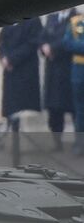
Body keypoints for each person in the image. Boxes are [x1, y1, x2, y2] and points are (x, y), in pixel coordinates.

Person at [0, 17, 43, 132]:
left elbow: (33, 43)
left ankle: (22, 138)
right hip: (10, 72)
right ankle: (12, 138)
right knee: (11, 108)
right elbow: (2, 42)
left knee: (24, 107)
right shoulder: (10, 18)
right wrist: (3, 57)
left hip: (26, 72)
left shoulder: (33, 20)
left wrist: (12, 59)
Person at [42, 9, 78, 151]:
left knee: (74, 109)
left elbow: (71, 40)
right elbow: (43, 36)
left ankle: (79, 143)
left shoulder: (76, 17)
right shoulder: (52, 17)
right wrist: (44, 46)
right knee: (54, 110)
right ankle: (57, 142)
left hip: (68, 69)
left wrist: (52, 48)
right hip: (52, 71)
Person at [61, 12, 84, 156]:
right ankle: (80, 144)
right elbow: (67, 43)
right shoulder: (75, 22)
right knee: (80, 112)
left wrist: (79, 46)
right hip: (79, 74)